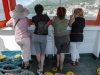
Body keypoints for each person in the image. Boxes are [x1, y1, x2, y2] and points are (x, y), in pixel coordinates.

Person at [6, 4, 31, 69]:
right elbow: (29, 25)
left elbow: (7, 24)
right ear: (23, 12)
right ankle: (26, 65)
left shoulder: (13, 19)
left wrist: (14, 25)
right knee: (26, 51)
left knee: (23, 51)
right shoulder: (26, 19)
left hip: (17, 39)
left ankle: (25, 61)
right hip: (25, 38)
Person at [32, 4, 50, 72]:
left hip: (35, 36)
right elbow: (48, 23)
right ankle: (41, 68)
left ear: (35, 10)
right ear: (42, 10)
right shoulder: (46, 16)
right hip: (43, 36)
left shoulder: (34, 17)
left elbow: (34, 23)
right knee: (43, 53)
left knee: (37, 52)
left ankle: (39, 64)